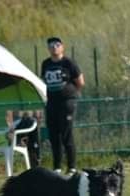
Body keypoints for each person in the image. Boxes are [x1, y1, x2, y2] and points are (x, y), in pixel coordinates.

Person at [41, 36, 84, 174]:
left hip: (66, 103)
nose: (54, 47)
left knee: (66, 134)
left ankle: (71, 167)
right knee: (54, 135)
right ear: (48, 48)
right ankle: (57, 167)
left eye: (57, 45)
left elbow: (80, 82)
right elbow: (43, 81)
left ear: (62, 47)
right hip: (51, 103)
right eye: (51, 45)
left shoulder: (68, 63)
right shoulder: (46, 63)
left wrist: (70, 94)